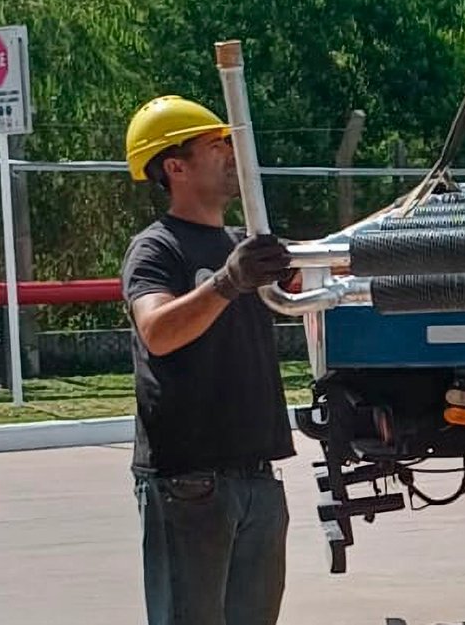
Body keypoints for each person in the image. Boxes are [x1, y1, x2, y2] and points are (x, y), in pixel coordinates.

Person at [120, 94, 296, 625]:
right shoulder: (157, 248)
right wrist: (228, 281)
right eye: (215, 145)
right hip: (187, 482)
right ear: (175, 166)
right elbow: (157, 330)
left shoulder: (242, 245)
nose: (229, 155)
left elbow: (307, 299)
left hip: (256, 479)